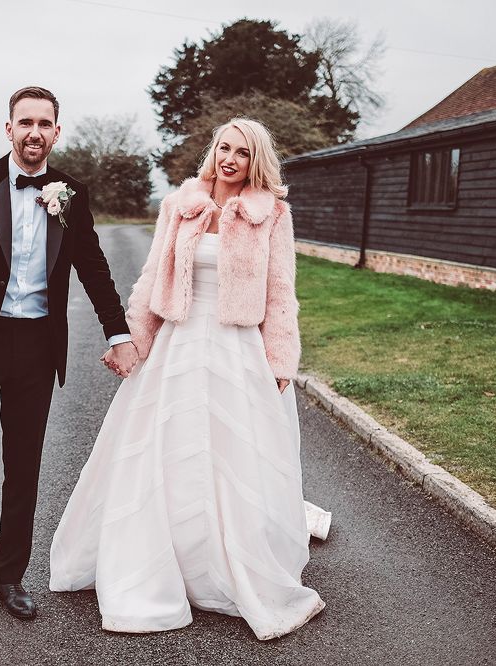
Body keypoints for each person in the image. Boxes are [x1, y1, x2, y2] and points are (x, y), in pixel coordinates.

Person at [50, 118, 330, 640]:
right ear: (213, 152)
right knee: (164, 451)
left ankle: (228, 566)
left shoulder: (272, 216)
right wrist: (133, 338)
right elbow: (154, 275)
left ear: (255, 162)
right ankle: (164, 560)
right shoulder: (181, 206)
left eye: (242, 153)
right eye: (224, 148)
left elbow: (280, 292)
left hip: (237, 348)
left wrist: (280, 361)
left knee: (232, 456)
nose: (230, 159)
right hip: (178, 344)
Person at [0, 86, 138, 637]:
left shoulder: (71, 193)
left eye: (45, 123)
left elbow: (91, 265)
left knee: (24, 469)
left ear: (57, 132)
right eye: (25, 123)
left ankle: (9, 578)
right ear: (9, 129)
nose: (35, 132)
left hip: (37, 348)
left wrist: (117, 332)